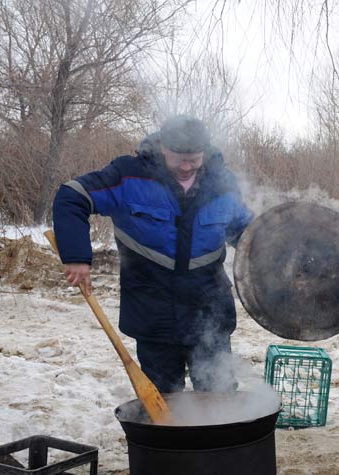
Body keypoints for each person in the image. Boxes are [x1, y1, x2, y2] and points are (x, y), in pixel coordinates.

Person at [51, 115, 253, 394]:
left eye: (193, 159)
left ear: (204, 153)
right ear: (162, 148)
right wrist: (76, 256)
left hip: (209, 311)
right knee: (163, 398)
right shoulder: (129, 175)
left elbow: (244, 231)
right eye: (178, 158)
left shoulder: (221, 183)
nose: (186, 166)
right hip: (152, 313)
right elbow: (72, 196)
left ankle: (219, 439)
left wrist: (275, 257)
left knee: (220, 396)